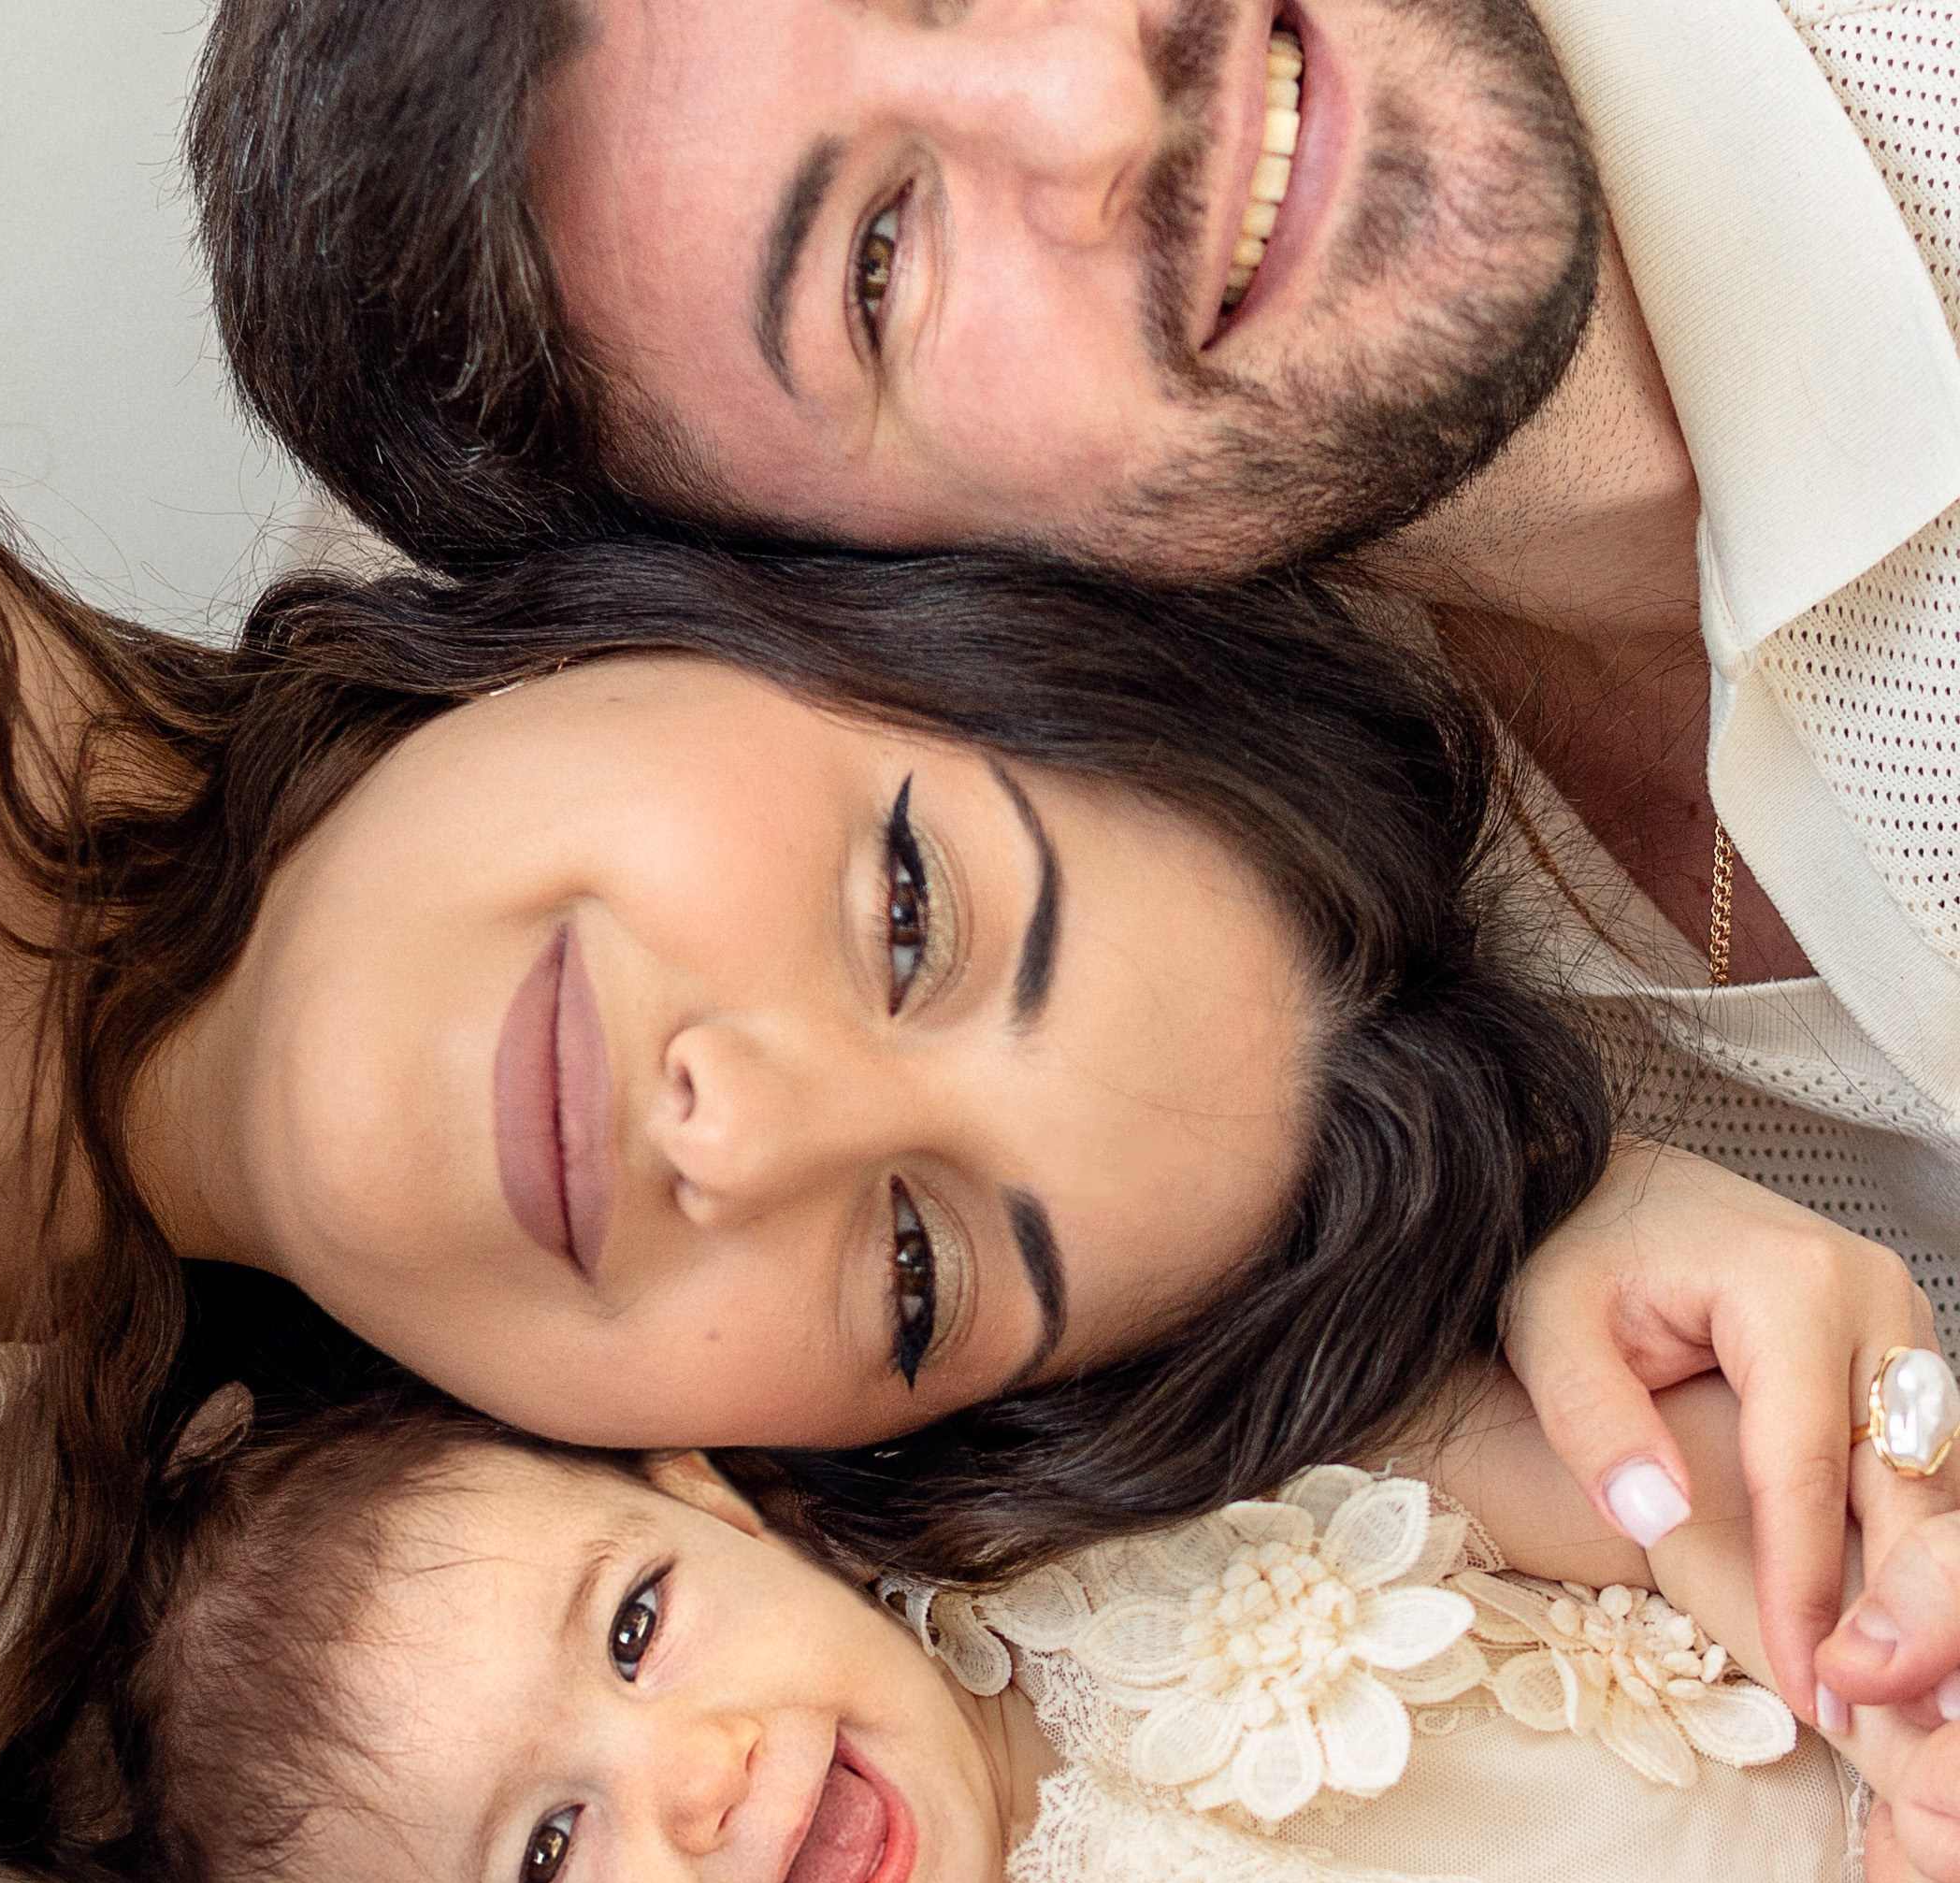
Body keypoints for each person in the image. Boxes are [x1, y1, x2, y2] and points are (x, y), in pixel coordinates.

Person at [0, 335, 1736, 1883]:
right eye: (905, 910)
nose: (741, 1126)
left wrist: (1598, 1228)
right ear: (724, 597)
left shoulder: (129, 1592)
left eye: (911, 1261)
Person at [185, 0, 1960, 1688]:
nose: (1103, 108)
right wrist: (1534, 1216)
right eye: (881, 263)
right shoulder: (1252, 948)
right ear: (786, 582)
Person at [56, 1354, 1960, 1883]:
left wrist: (1887, 1690)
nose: (700, 1777)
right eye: (551, 1848)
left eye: (636, 1626)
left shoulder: (1100, 1505)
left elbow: (1598, 1470)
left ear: (708, 1493)